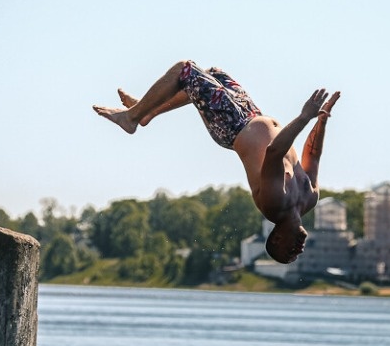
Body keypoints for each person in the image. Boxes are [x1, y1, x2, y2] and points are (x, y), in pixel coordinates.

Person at [93, 60, 340, 263]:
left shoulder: (274, 205)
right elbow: (313, 155)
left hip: (233, 126)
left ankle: (132, 118)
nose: (299, 250)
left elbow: (275, 152)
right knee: (214, 74)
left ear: (276, 239)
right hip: (251, 114)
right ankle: (147, 111)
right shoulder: (310, 198)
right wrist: (322, 121)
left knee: (185, 70)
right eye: (295, 254)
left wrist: (304, 117)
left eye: (291, 253)